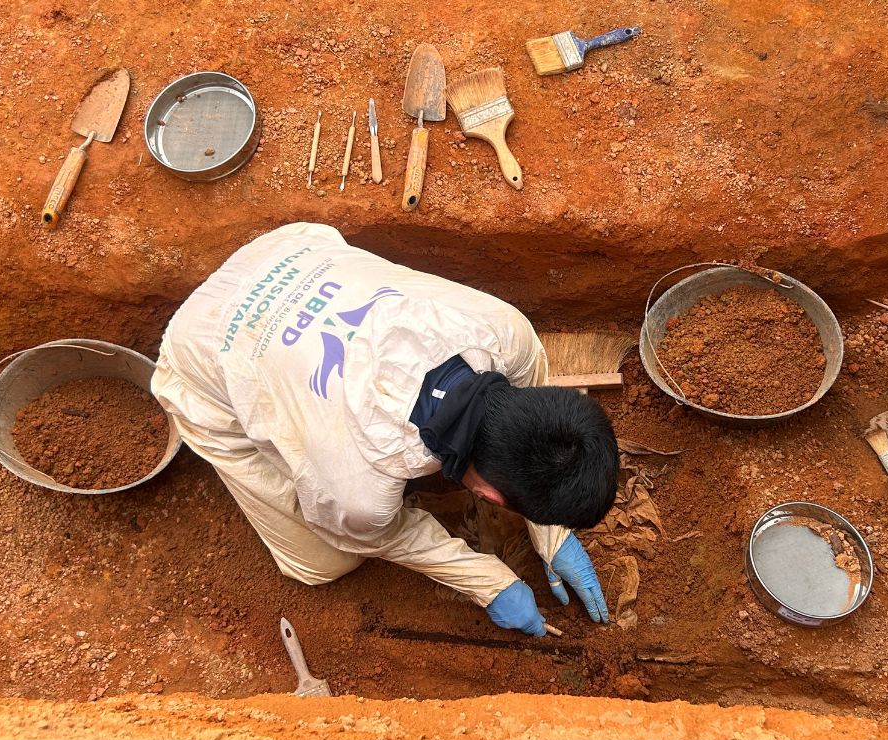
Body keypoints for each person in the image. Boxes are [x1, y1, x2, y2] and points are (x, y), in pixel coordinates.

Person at [151, 223, 618, 637]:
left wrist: (551, 534)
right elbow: (380, 534)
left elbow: (531, 398)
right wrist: (487, 582)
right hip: (203, 348)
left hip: (291, 256)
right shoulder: (359, 494)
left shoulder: (509, 333)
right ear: (491, 498)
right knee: (324, 562)